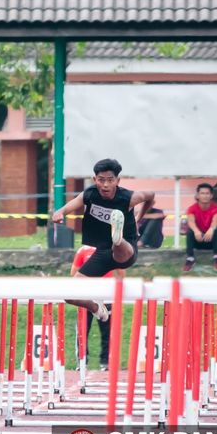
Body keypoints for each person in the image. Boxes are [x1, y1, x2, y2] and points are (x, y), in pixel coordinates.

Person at [51, 158, 154, 321]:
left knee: (118, 246)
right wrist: (60, 212)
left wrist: (139, 217)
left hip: (126, 251)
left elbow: (151, 196)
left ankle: (118, 238)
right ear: (95, 180)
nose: (105, 185)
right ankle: (96, 307)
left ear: (117, 181)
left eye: (110, 180)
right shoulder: (90, 194)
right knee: (68, 294)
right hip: (102, 253)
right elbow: (73, 203)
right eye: (101, 180)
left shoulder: (128, 197)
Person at [71, 245, 112, 371]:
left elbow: (120, 273)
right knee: (83, 330)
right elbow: (74, 273)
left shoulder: (111, 248)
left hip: (106, 295)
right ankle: (82, 361)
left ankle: (106, 362)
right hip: (87, 295)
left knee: (107, 331)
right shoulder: (83, 251)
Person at [184, 182, 217, 272]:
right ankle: (190, 258)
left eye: (207, 193)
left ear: (211, 196)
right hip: (197, 240)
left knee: (216, 229)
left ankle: (216, 257)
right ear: (198, 195)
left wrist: (211, 229)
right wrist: (196, 231)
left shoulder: (216, 209)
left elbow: (216, 220)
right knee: (190, 230)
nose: (205, 196)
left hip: (210, 241)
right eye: (202, 193)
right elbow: (190, 221)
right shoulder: (192, 208)